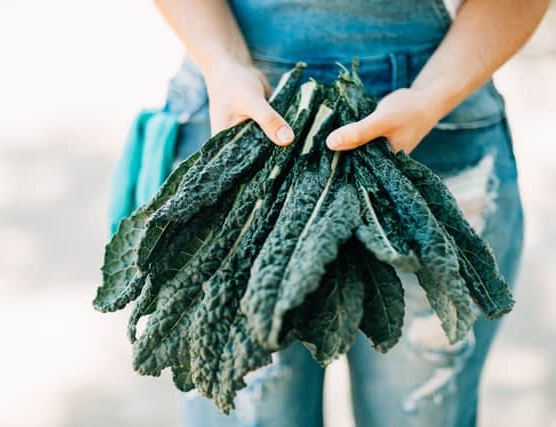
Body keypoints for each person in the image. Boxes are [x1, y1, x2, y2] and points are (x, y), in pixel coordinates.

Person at [151, 1, 548, 426]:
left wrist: (430, 98)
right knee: (245, 407)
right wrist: (222, 62)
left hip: (428, 125)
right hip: (238, 113)